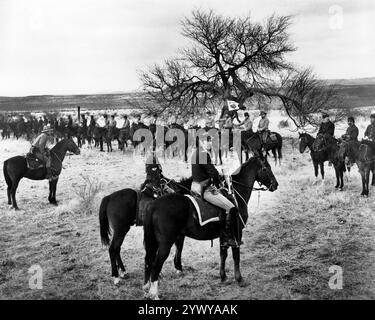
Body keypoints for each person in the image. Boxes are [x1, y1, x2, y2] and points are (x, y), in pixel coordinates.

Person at [191, 134, 238, 248]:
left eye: (210, 141)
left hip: (195, 186)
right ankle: (227, 238)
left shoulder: (195, 152)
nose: (210, 143)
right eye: (207, 141)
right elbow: (213, 173)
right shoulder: (203, 154)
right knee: (231, 207)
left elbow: (208, 170)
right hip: (205, 189)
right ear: (201, 141)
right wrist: (218, 184)